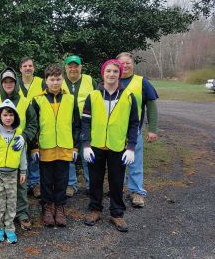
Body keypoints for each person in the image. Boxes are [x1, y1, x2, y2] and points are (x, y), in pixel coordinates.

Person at [81, 59, 139, 232]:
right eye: (108, 71)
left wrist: (131, 147)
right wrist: (85, 144)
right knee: (95, 180)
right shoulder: (93, 96)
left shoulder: (128, 96)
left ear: (119, 74)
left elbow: (134, 123)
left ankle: (117, 213)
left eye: (115, 71)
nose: (111, 74)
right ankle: (94, 209)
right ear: (103, 74)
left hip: (118, 147)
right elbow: (85, 122)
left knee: (116, 181)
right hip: (96, 147)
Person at [0, 67, 38, 231]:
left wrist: (24, 136)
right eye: (5, 81)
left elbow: (33, 124)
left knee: (20, 184)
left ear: (16, 82)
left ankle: (22, 213)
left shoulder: (26, 102)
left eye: (11, 81)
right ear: (1, 83)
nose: (8, 84)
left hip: (18, 149)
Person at [32, 64, 81, 227]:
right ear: (46, 80)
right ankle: (47, 207)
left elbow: (76, 125)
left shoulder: (70, 99)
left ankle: (59, 207)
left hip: (65, 147)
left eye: (58, 79)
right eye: (52, 79)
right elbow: (34, 125)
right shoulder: (37, 100)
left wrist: (75, 147)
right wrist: (34, 147)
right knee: (46, 180)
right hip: (46, 147)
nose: (55, 82)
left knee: (62, 179)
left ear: (62, 80)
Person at [117, 52, 159, 208]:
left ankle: (137, 192)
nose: (125, 66)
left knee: (135, 163)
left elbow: (152, 106)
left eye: (128, 63)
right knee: (117, 162)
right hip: (115, 132)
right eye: (122, 63)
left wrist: (152, 129)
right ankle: (117, 188)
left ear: (132, 64)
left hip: (134, 131)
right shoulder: (112, 80)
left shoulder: (142, 82)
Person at [0, 99, 27, 244]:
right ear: (0, 116)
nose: (8, 118)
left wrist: (23, 171)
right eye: (5, 115)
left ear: (15, 117)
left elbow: (22, 154)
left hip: (12, 174)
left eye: (11, 115)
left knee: (12, 202)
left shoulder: (18, 135)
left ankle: (10, 228)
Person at [62, 55, 96, 197]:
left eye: (76, 66)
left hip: (87, 124)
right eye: (70, 66)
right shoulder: (59, 80)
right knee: (69, 155)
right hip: (66, 125)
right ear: (66, 67)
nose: (73, 68)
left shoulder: (90, 80)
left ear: (81, 67)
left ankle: (91, 185)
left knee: (87, 155)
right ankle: (71, 185)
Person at [18, 56, 46, 199]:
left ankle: (35, 183)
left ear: (34, 68)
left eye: (30, 65)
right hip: (19, 124)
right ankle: (24, 183)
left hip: (37, 123)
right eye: (25, 66)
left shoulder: (42, 82)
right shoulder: (15, 83)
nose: (28, 68)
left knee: (35, 154)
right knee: (21, 153)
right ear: (20, 69)